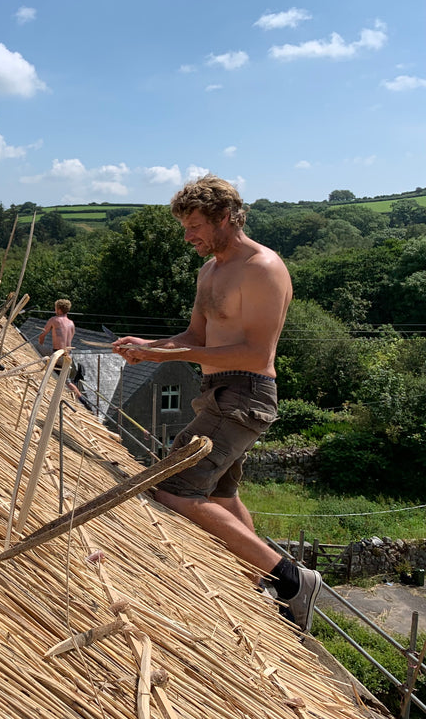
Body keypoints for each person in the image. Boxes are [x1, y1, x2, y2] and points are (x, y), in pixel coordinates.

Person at [110, 175, 321, 634]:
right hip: (216, 391)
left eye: (195, 226)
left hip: (245, 393)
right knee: (222, 494)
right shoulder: (209, 271)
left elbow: (256, 354)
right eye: (185, 228)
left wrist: (169, 356)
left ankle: (292, 580)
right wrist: (149, 346)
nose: (188, 237)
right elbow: (196, 337)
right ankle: (260, 584)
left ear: (226, 217)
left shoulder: (263, 268)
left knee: (174, 487)